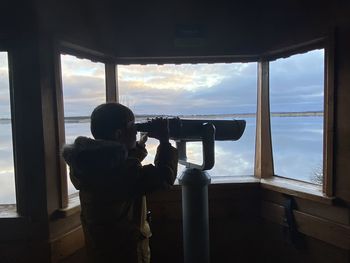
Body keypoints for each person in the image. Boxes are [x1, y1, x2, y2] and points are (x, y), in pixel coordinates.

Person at [62, 102, 178, 263]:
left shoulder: (89, 163)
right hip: (126, 253)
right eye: (132, 126)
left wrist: (137, 146)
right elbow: (164, 177)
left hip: (103, 252)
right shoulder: (120, 172)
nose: (135, 130)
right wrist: (164, 141)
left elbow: (116, 165)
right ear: (118, 134)